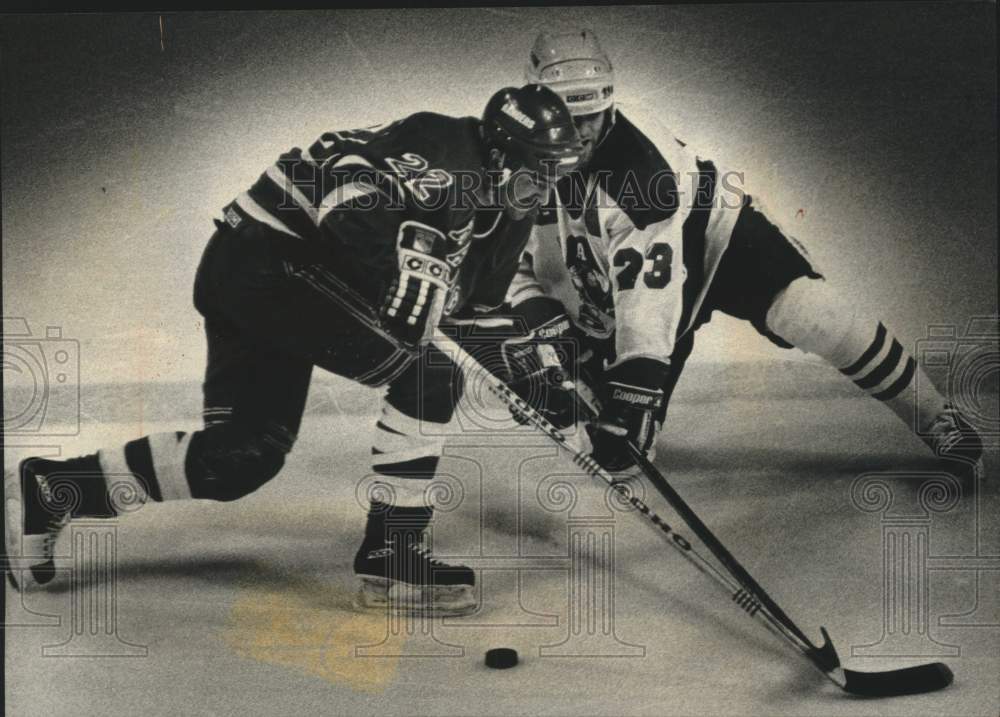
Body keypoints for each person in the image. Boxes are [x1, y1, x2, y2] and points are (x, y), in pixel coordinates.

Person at [5, 84, 584, 615]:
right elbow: (346, 182)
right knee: (430, 372)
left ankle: (53, 489)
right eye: (538, 172)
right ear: (501, 151)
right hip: (266, 265)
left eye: (556, 174)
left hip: (268, 280)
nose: (544, 187)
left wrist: (534, 379)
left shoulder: (514, 208)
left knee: (242, 458)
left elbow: (476, 314)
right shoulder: (442, 144)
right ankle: (395, 553)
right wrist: (393, 265)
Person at [501, 30, 983, 478]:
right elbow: (507, 263)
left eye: (591, 115)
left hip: (714, 236)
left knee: (814, 313)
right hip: (613, 280)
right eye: (568, 117)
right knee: (622, 459)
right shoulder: (512, 163)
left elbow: (651, 291)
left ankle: (936, 417)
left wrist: (635, 385)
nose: (581, 133)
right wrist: (541, 322)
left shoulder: (643, 170)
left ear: (609, 105)